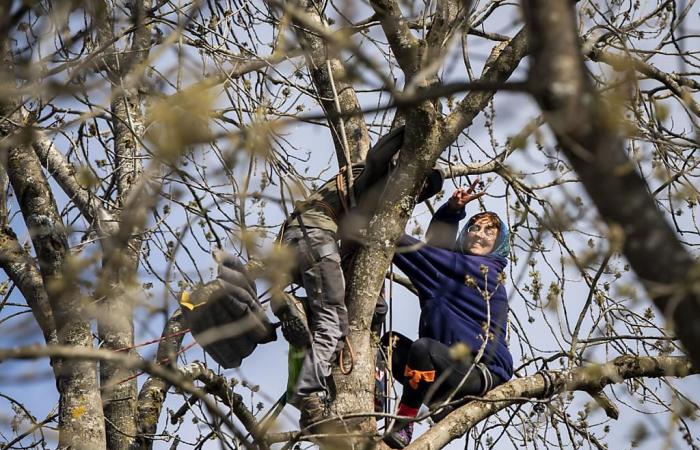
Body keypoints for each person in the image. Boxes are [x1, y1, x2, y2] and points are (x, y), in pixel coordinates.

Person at [278, 126, 444, 431]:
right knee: (332, 320)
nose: (418, 192)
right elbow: (378, 156)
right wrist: (416, 126)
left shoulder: (367, 204)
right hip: (314, 236)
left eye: (423, 191)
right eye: (419, 184)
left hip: (300, 243)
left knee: (331, 315)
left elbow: (353, 255)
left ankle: (301, 313)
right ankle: (307, 395)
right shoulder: (375, 176)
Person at [381, 182, 513, 449]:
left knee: (423, 349)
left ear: (499, 243)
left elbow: (430, 256)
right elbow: (437, 251)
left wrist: (385, 233)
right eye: (474, 228)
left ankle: (404, 424)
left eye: (489, 231)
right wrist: (452, 211)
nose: (478, 234)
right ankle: (438, 401)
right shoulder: (448, 271)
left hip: (481, 372)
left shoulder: (486, 272)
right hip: (445, 364)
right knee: (388, 345)